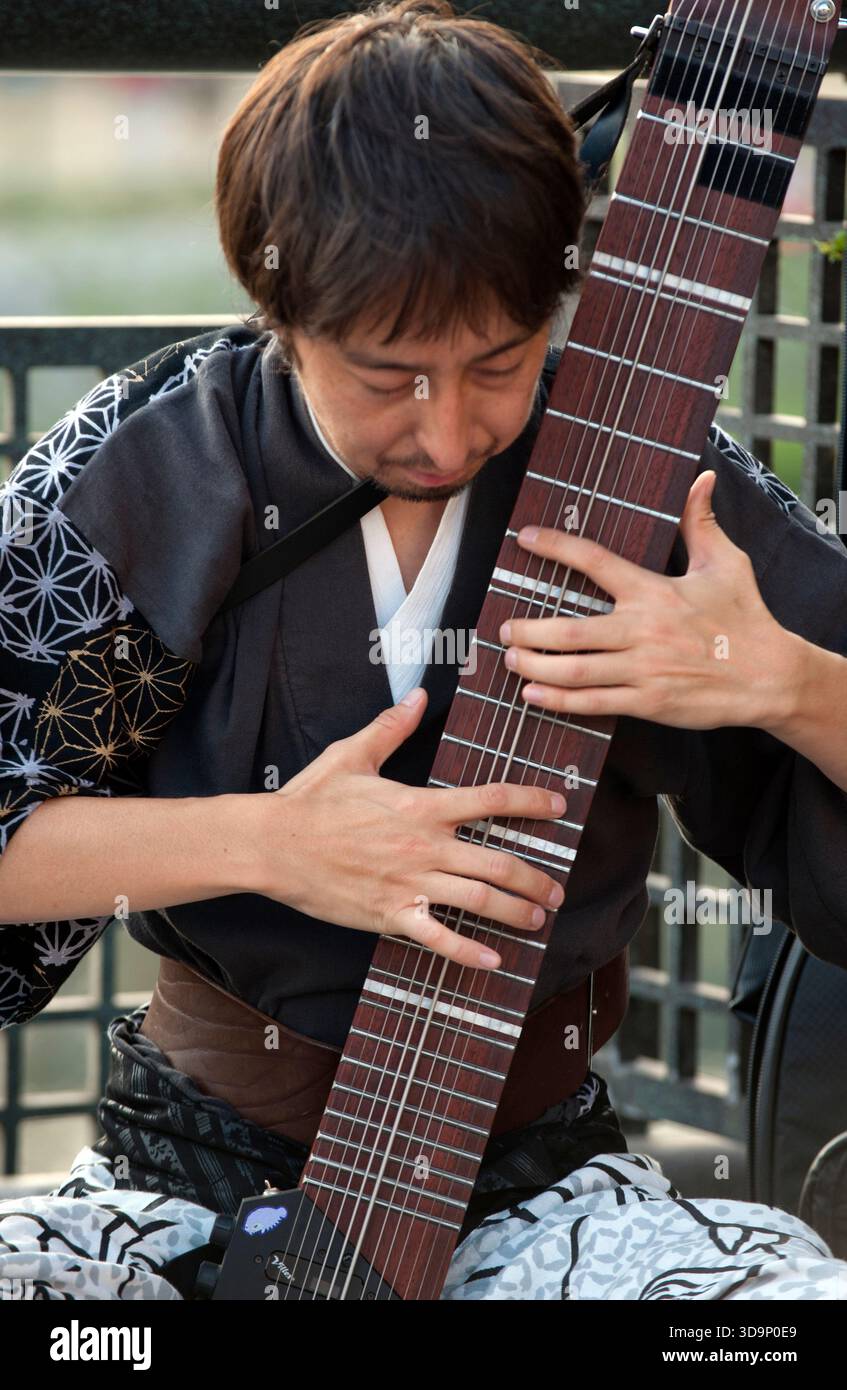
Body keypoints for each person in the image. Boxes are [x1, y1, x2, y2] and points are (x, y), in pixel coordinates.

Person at [1, 0, 846, 1302]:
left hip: (543, 1186)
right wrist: (270, 842)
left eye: (501, 362)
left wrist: (781, 683)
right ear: (278, 306)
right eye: (387, 373)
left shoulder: (639, 473)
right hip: (186, 1172)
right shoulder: (152, 471)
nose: (448, 433)